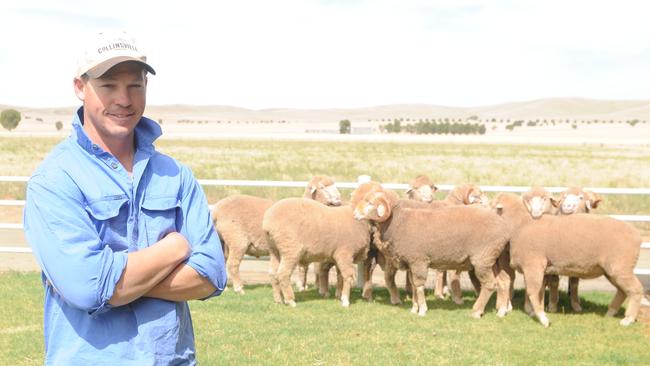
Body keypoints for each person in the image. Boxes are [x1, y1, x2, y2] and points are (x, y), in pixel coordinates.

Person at [23, 31, 227, 365]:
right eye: (109, 86)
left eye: (135, 85)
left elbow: (211, 275)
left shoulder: (176, 176)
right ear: (80, 87)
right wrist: (175, 248)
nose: (124, 99)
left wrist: (114, 283)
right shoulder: (55, 180)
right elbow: (87, 287)